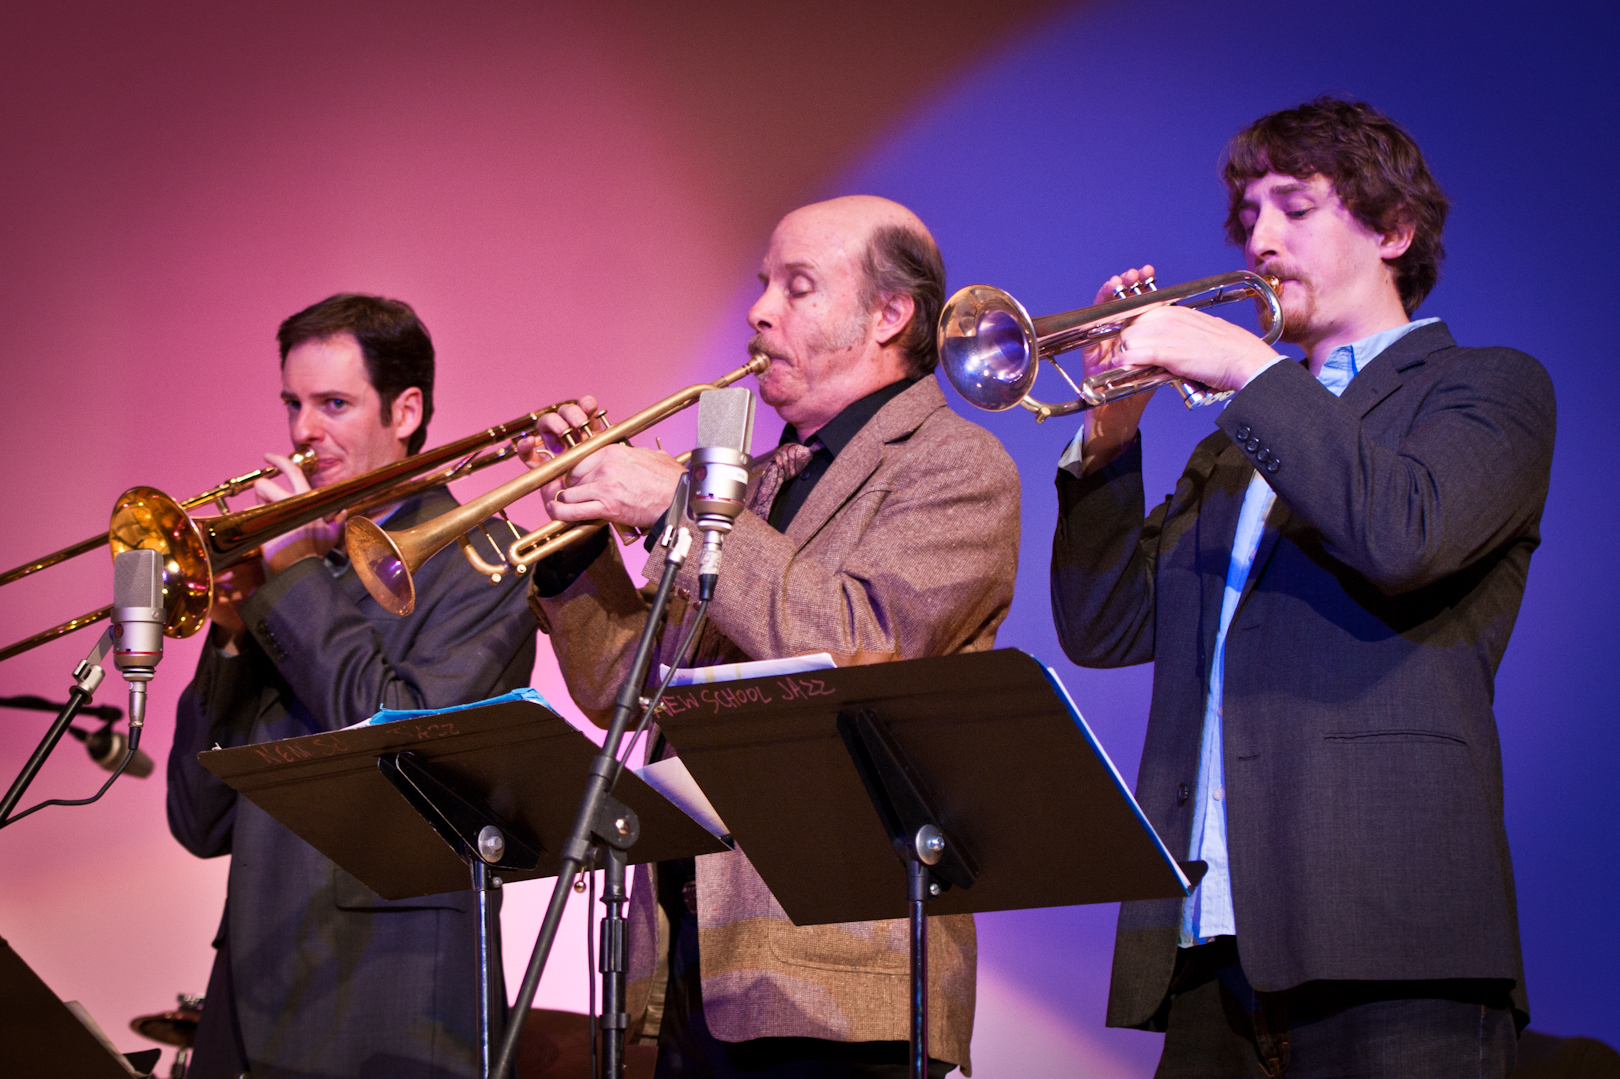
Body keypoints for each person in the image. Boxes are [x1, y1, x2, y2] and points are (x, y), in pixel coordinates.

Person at [1050, 97, 1555, 1076]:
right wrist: (1111, 434)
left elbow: (1405, 533)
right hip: (1211, 948)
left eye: (1294, 206)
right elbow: (1107, 623)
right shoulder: (1237, 447)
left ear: (1394, 228)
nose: (1259, 240)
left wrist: (1246, 367)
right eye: (1246, 217)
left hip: (1395, 934)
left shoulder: (1488, 385)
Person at [522, 195, 1019, 1078]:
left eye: (798, 287)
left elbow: (860, 640)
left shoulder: (956, 464)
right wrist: (576, 548)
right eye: (763, 286)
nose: (759, 311)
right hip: (693, 961)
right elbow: (622, 688)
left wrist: (683, 508)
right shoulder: (740, 484)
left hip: (845, 981)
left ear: (889, 315)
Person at [167, 294, 538, 1079]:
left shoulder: (481, 559)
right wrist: (232, 637)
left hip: (391, 998)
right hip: (249, 988)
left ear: (405, 410)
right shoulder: (295, 572)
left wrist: (294, 579)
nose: (304, 431)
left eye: (334, 403)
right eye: (294, 404)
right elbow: (199, 822)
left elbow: (399, 733)